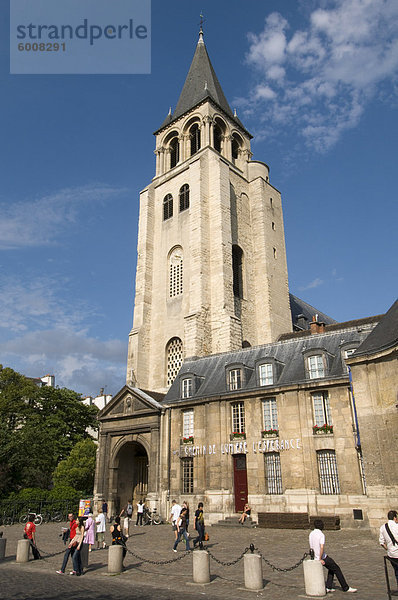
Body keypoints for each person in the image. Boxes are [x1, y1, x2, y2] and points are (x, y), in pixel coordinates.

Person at [309, 519, 357, 593]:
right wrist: (320, 559)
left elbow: (311, 547)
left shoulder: (311, 534)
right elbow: (321, 547)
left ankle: (328, 586)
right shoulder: (321, 534)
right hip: (322, 557)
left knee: (331, 568)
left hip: (314, 556)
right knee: (337, 569)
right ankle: (345, 587)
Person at [379, 510, 398, 589]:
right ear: (394, 518)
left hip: (392, 554)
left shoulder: (383, 527)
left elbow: (382, 542)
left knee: (397, 572)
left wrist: (389, 549)